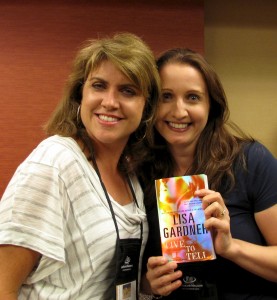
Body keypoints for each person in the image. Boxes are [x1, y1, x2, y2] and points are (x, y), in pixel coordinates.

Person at [0, 32, 161, 300]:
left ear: (146, 108)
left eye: (128, 90)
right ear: (80, 96)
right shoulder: (55, 162)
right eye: (99, 86)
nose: (109, 102)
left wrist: (145, 285)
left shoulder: (131, 176)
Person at [139, 48, 277, 299]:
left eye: (192, 97)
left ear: (211, 105)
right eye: (166, 96)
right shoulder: (138, 173)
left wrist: (232, 247)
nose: (178, 111)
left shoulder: (250, 160)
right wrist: (148, 284)